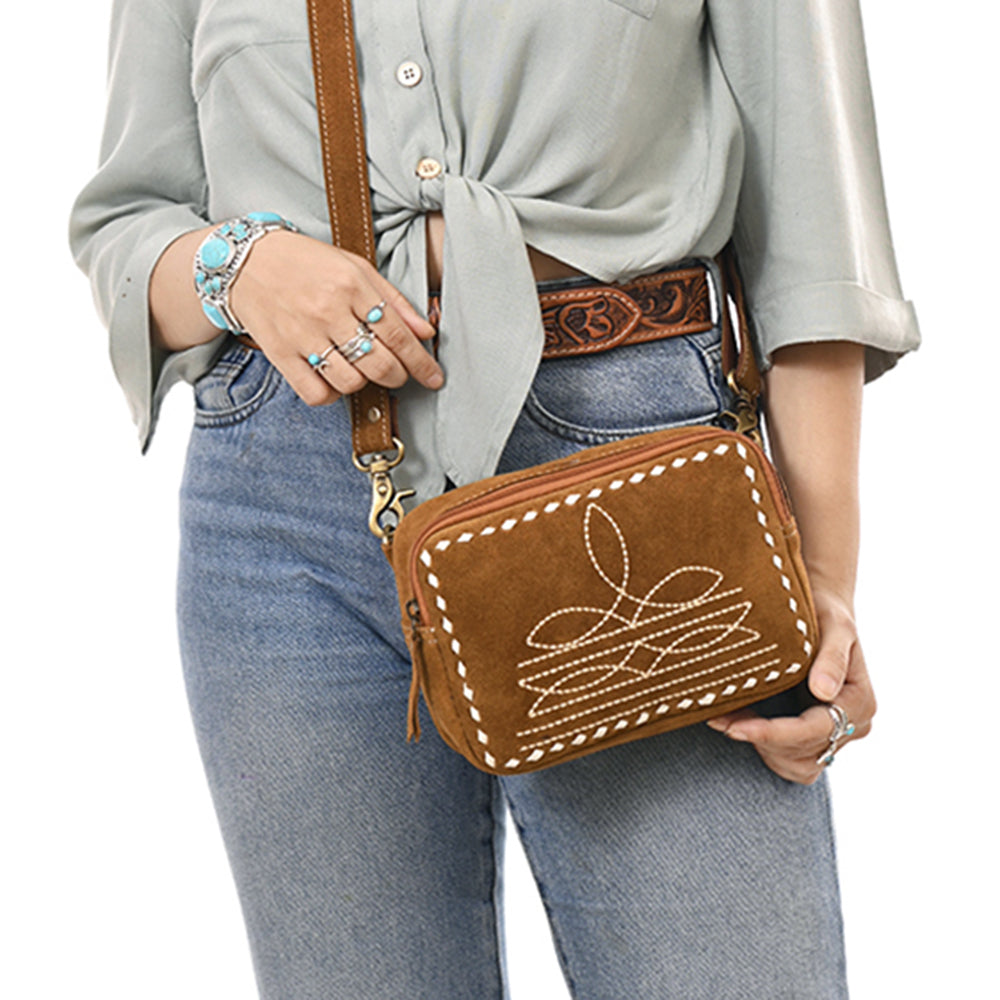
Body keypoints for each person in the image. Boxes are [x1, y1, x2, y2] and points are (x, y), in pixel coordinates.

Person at [69, 1, 919, 997]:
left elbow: (815, 241)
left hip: (638, 494)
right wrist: (239, 268)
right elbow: (129, 225)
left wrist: (822, 576)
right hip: (287, 512)